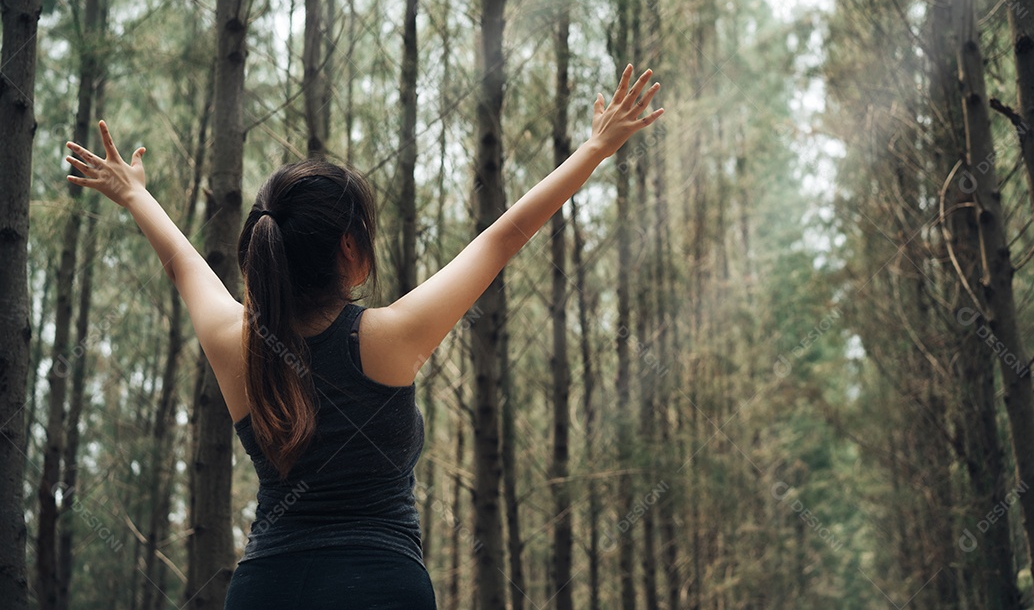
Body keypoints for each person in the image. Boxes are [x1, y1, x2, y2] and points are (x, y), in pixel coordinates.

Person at [64, 63, 662, 608]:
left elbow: (179, 263)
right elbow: (503, 237)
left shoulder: (234, 343)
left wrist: (134, 192)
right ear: (350, 249)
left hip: (267, 589)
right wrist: (595, 147)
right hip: (381, 586)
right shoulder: (387, 337)